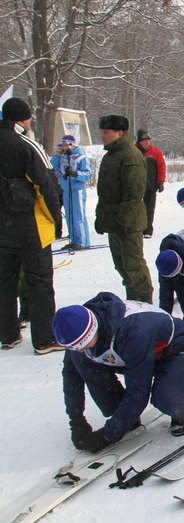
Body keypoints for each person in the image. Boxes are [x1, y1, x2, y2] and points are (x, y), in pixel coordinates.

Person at [54, 292, 184, 452]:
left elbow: (138, 392)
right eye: (74, 347)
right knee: (82, 362)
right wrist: (76, 420)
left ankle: (180, 414)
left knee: (168, 398)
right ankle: (126, 418)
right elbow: (71, 375)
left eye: (83, 344)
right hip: (131, 354)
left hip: (171, 351)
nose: (79, 350)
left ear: (93, 330)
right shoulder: (78, 327)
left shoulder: (134, 330)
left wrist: (107, 436)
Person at [0, 97, 62, 354]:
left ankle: (8, 334)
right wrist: (56, 221)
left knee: (4, 281)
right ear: (21, 119)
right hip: (29, 224)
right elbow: (46, 185)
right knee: (39, 281)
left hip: (2, 227)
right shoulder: (26, 145)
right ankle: (45, 338)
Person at [95, 114, 153, 303]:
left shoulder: (130, 156)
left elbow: (133, 193)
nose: (103, 136)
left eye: (107, 132)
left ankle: (144, 301)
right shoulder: (110, 156)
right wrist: (101, 216)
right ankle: (133, 299)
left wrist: (123, 220)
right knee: (121, 264)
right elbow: (104, 192)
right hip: (114, 221)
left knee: (133, 264)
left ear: (119, 133)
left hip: (128, 222)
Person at [52, 135, 92, 250]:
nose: (65, 147)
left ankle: (82, 241)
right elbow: (54, 169)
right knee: (69, 214)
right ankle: (74, 239)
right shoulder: (62, 156)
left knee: (78, 215)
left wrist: (76, 174)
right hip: (66, 188)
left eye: (67, 144)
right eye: (63, 144)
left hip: (77, 189)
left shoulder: (80, 156)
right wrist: (57, 155)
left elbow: (88, 174)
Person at [136, 129, 167, 239]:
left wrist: (161, 182)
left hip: (151, 185)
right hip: (137, 186)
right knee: (138, 208)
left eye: (148, 140)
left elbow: (161, 167)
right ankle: (137, 228)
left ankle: (148, 229)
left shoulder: (155, 152)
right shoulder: (134, 151)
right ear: (139, 142)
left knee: (149, 208)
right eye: (144, 141)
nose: (147, 143)